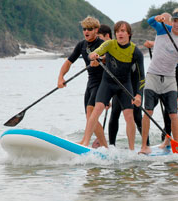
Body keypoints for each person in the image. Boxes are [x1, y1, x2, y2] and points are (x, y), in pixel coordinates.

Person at [139, 9, 178, 154]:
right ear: (172, 21)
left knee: (173, 114)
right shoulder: (163, 28)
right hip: (153, 75)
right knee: (148, 111)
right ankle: (144, 146)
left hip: (170, 79)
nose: (176, 24)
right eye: (175, 21)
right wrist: (155, 17)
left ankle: (176, 145)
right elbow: (150, 22)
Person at [83, 21, 145, 150]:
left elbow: (141, 77)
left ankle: (132, 150)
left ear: (129, 34)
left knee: (129, 115)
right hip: (108, 83)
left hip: (124, 85)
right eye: (117, 31)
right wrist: (93, 55)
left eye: (122, 31)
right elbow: (94, 53)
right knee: (97, 108)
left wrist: (138, 95)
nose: (119, 34)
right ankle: (85, 143)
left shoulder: (135, 51)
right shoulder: (109, 44)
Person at [57, 16, 105, 145]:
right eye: (84, 29)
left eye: (89, 29)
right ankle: (105, 147)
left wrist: (99, 60)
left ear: (96, 30)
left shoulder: (102, 44)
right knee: (89, 117)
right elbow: (68, 62)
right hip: (91, 82)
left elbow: (107, 57)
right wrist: (61, 77)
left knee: (90, 114)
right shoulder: (81, 45)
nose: (86, 32)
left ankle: (85, 141)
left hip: (102, 83)